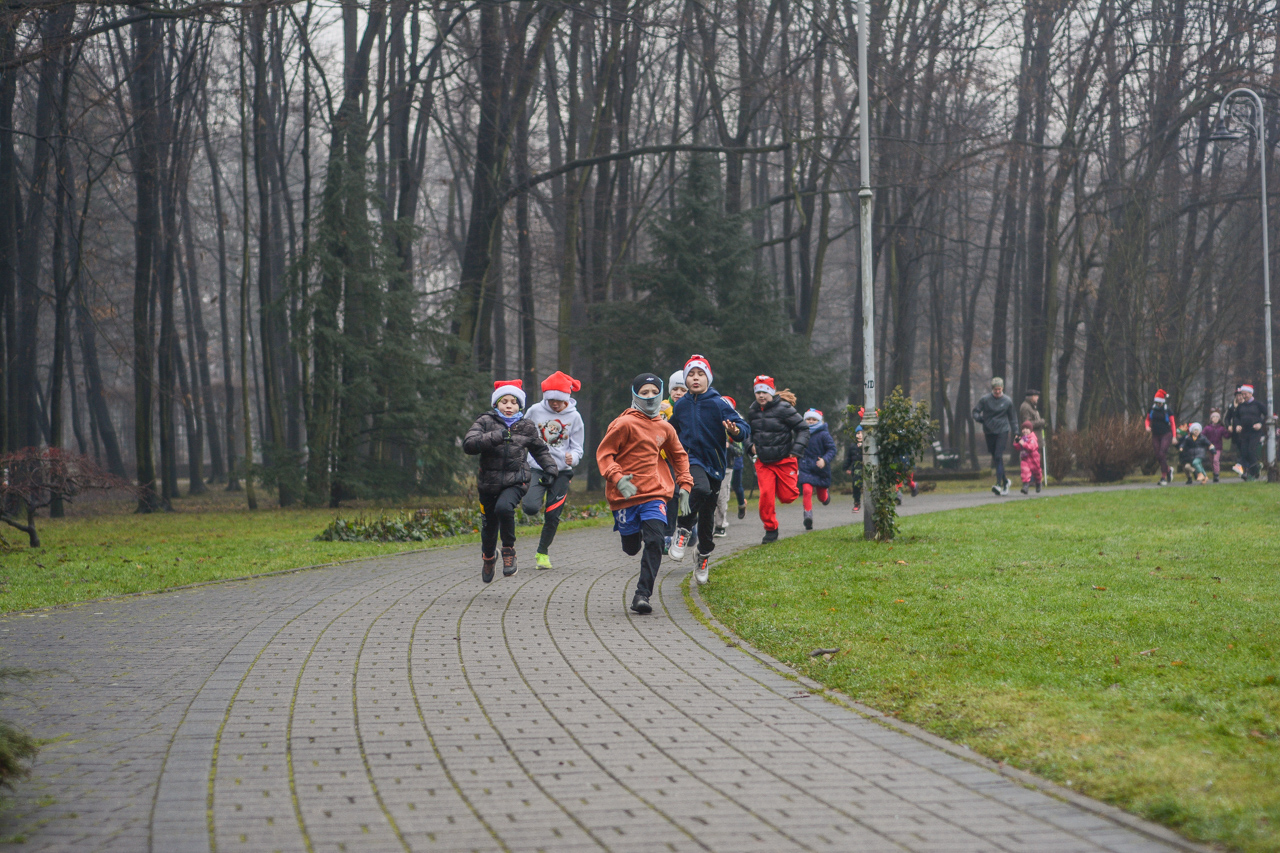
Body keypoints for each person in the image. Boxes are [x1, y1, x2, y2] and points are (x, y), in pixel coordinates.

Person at [596, 373, 694, 615]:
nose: (649, 397)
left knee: (655, 540)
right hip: (624, 497)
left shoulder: (665, 427)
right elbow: (605, 454)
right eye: (644, 392)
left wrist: (685, 486)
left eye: (653, 392)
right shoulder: (623, 424)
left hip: (654, 494)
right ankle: (632, 531)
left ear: (660, 394)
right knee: (630, 548)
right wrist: (617, 478)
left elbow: (679, 457)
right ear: (635, 394)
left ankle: (642, 594)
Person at [463, 380, 558, 583]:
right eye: (503, 401)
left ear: (520, 406)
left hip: (517, 480)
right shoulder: (485, 422)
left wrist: (550, 469)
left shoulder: (526, 427)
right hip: (488, 483)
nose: (508, 406)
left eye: (513, 402)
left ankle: (509, 550)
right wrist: (496, 436)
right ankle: (489, 556)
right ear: (496, 404)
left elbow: (540, 450)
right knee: (489, 526)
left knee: (504, 508)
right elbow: (469, 444)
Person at [668, 355, 750, 585]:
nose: (695, 379)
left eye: (700, 374)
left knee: (707, 521)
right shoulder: (681, 404)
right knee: (699, 488)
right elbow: (671, 428)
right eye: (691, 375)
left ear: (708, 379)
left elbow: (744, 427)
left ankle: (702, 555)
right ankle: (683, 530)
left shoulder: (717, 402)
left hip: (715, 465)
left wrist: (735, 432)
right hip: (691, 460)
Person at [521, 371, 585, 570]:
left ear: (566, 398)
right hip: (537, 467)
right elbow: (522, 432)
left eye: (558, 400)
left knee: (552, 515)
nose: (554, 404)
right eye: (550, 400)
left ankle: (542, 552)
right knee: (530, 508)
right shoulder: (535, 411)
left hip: (561, 472)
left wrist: (572, 458)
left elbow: (577, 448)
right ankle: (531, 498)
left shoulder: (575, 417)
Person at [747, 375, 809, 543]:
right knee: (766, 496)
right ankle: (771, 529)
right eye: (758, 392)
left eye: (765, 392)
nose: (761, 395)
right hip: (764, 462)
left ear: (772, 392)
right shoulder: (753, 410)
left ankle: (784, 482)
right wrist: (749, 445)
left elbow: (803, 428)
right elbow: (746, 432)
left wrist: (796, 450)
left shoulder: (784, 408)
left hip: (784, 459)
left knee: (788, 497)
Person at [972, 377, 1018, 495]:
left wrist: (1016, 432)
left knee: (998, 455)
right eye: (995, 389)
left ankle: (998, 484)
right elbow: (975, 411)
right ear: (992, 389)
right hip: (989, 431)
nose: (997, 391)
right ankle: (1006, 481)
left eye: (999, 389)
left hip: (1002, 430)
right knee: (997, 458)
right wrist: (980, 419)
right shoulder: (985, 400)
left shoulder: (1007, 401)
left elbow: (1013, 418)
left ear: (1002, 388)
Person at [798, 408, 836, 530]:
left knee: (821, 497)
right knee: (807, 490)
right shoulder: (802, 433)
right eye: (808, 419)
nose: (811, 421)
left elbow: (832, 449)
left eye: (814, 419)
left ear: (819, 421)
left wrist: (824, 460)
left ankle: (825, 496)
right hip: (805, 466)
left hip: (820, 468)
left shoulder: (824, 434)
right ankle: (807, 515)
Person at [712, 395, 745, 537]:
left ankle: (720, 526)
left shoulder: (735, 426)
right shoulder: (710, 422)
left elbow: (739, 450)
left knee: (722, 496)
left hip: (727, 466)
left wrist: (728, 446)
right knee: (709, 496)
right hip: (710, 464)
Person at [1231, 383, 1267, 480]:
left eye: (1245, 394)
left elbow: (1267, 416)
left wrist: (1260, 424)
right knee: (1244, 452)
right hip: (1244, 432)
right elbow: (1236, 417)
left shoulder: (1258, 405)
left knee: (1251, 451)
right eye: (1242, 394)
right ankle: (1254, 470)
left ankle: (1251, 471)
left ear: (1251, 394)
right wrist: (1238, 425)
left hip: (1255, 432)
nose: (1243, 396)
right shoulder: (1241, 406)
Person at [1144, 389, 1177, 486]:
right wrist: (1147, 427)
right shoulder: (1152, 409)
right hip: (1155, 434)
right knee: (1158, 455)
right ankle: (1168, 469)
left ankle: (1163, 478)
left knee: (1162, 453)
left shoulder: (1167, 410)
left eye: (1160, 403)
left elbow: (1173, 423)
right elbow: (1147, 420)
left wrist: (1174, 436)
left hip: (1166, 434)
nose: (1158, 404)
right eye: (1157, 403)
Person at [1013, 420, 1042, 494]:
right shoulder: (1022, 438)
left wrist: (1023, 444)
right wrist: (1017, 441)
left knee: (1037, 473)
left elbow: (1031, 447)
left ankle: (1038, 482)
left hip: (1034, 459)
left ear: (1030, 430)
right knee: (1025, 472)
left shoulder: (1033, 438)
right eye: (1023, 429)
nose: (1024, 430)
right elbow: (1017, 447)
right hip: (1025, 459)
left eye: (1027, 428)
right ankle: (1025, 486)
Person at [1202, 408, 1227, 483]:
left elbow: (1226, 435)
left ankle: (1216, 474)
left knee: (1216, 460)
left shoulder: (1221, 428)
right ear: (1211, 419)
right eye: (1213, 417)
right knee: (1212, 461)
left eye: (1217, 417)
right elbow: (1202, 435)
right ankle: (1214, 472)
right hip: (1210, 447)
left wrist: (1230, 431)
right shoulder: (1207, 428)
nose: (1215, 419)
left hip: (1218, 447)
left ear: (1219, 419)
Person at [844, 427, 864, 513]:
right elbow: (849, 458)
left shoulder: (869, 446)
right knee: (856, 487)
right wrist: (846, 467)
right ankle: (857, 503)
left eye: (861, 433)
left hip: (866, 470)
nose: (859, 435)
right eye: (857, 433)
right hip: (856, 470)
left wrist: (862, 447)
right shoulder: (852, 446)